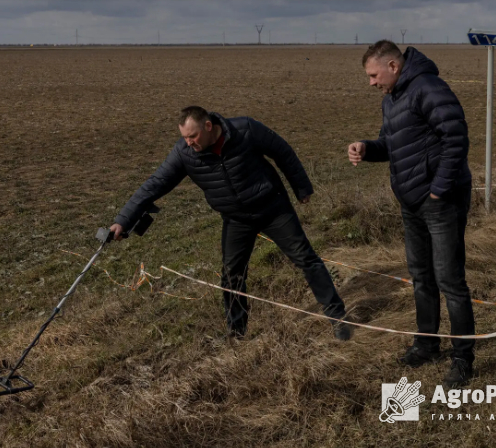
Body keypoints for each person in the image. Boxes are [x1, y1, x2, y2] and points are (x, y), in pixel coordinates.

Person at [110, 106, 350, 341]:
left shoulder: (245, 129)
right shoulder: (184, 152)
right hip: (236, 219)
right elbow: (155, 183)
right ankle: (237, 333)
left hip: (272, 208)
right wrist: (123, 220)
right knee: (232, 276)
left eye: (193, 136)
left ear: (208, 126)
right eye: (184, 137)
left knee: (306, 259)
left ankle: (338, 318)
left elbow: (282, 151)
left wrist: (301, 188)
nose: (189, 142)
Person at [347, 40, 475, 387]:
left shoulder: (428, 87)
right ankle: (426, 344)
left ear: (393, 66)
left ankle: (463, 357)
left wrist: (439, 188)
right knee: (421, 276)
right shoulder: (392, 99)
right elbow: (392, 144)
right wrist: (366, 148)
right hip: (412, 202)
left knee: (450, 280)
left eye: (374, 75)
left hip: (440, 201)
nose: (371, 83)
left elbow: (456, 137)